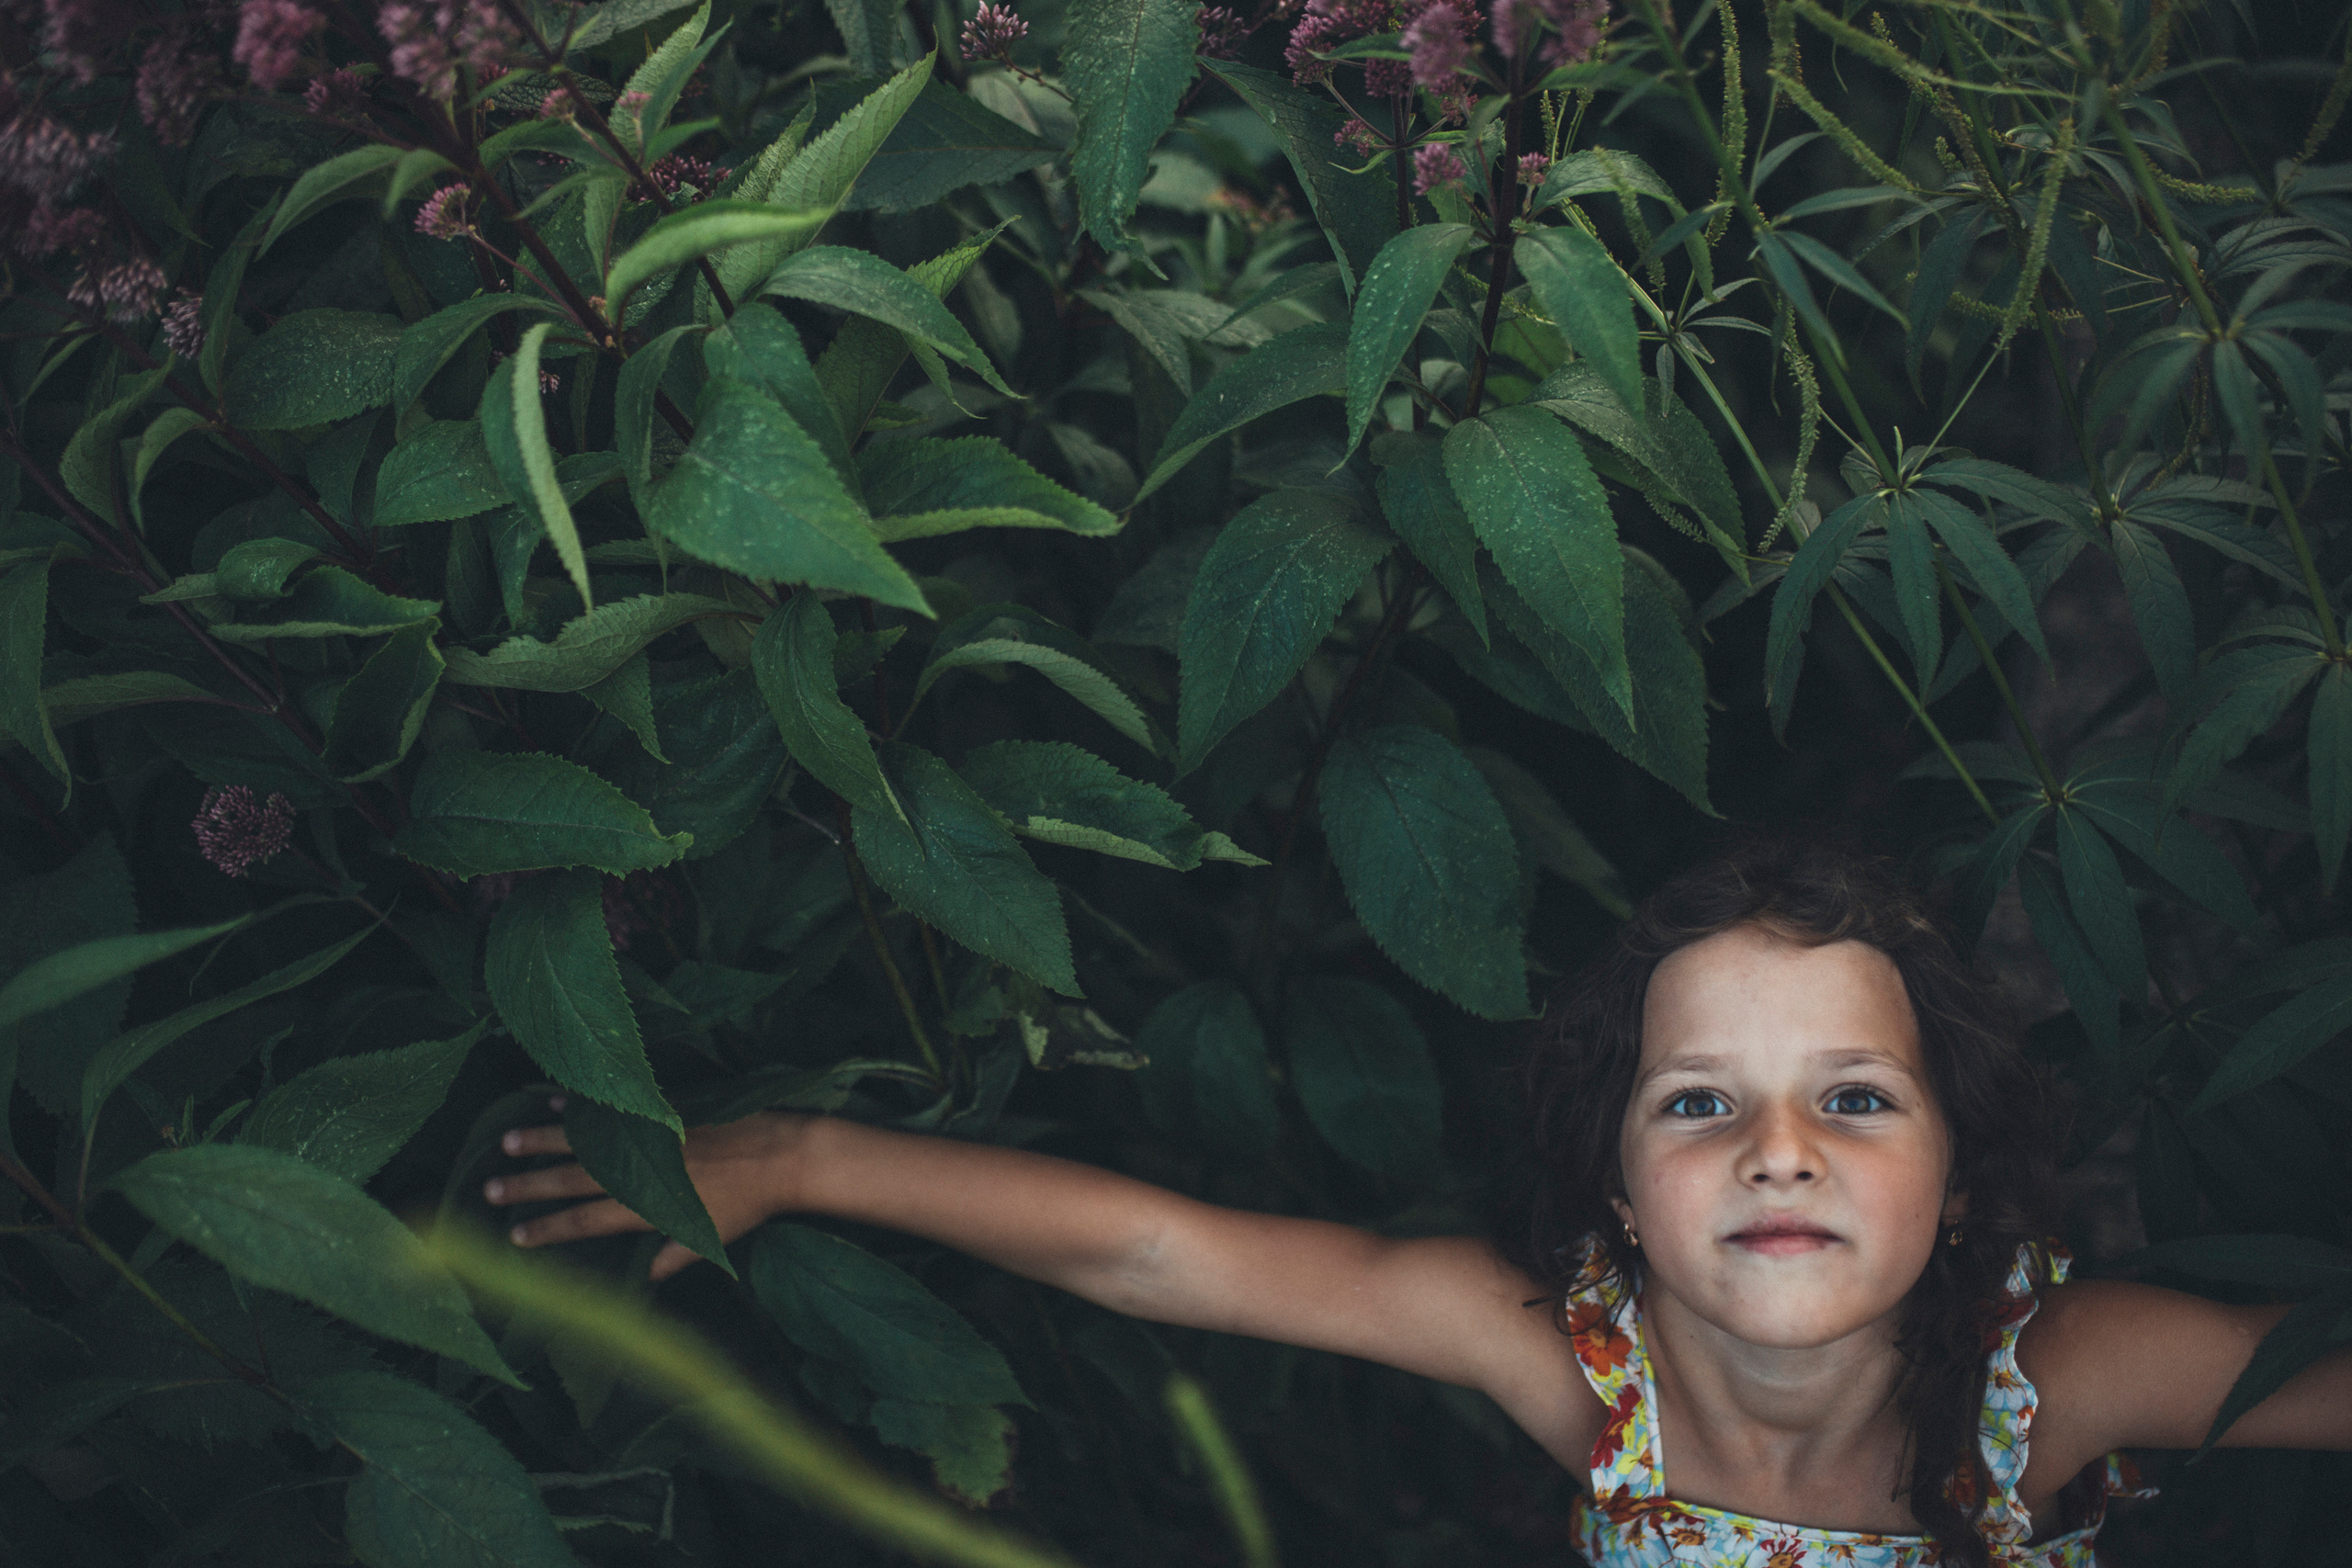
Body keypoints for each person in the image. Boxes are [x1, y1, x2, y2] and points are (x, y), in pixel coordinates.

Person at [482, 841, 2352, 1565]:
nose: (1776, 1147)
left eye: (1852, 1099)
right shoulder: (1579, 1365)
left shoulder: (2063, 1381)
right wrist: (801, 1157)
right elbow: (1168, 1253)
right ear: (1615, 1192)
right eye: (1698, 1102)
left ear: (1954, 1190)